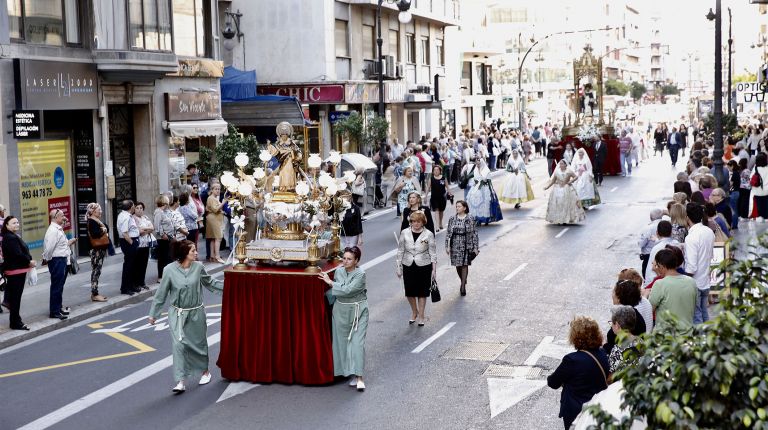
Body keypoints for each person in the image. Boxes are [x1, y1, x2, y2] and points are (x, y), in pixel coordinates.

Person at [149, 240, 223, 393]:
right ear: (184, 254)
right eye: (193, 251)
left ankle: (205, 372)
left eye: (195, 250)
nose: (196, 253)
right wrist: (153, 314)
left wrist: (232, 286)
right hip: (177, 313)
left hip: (196, 312)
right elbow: (161, 293)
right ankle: (181, 381)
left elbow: (210, 283)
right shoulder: (169, 270)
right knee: (179, 345)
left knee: (199, 344)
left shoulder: (199, 267)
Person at [318, 246, 368, 392]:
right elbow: (337, 291)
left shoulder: (361, 274)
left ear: (356, 261)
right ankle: (347, 372)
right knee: (342, 343)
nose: (345, 261)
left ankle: (359, 377)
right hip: (340, 310)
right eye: (344, 258)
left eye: (349, 259)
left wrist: (331, 283)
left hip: (358, 310)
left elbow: (347, 290)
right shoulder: (339, 271)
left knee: (357, 343)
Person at [547, 316, 609, 430]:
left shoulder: (572, 360)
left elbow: (553, 382)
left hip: (576, 413)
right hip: (597, 408)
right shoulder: (603, 354)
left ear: (576, 337)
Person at [396, 211, 437, 327]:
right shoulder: (404, 233)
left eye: (418, 221)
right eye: (413, 221)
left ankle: (422, 315)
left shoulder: (428, 234)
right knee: (409, 291)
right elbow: (400, 251)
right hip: (408, 264)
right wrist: (398, 267)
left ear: (423, 222)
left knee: (422, 292)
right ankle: (414, 311)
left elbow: (433, 253)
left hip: (424, 265)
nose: (416, 224)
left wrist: (434, 270)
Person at [649, 249, 698, 333]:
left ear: (661, 265)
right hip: (688, 334)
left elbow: (650, 309)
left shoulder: (660, 284)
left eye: (657, 265)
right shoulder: (692, 282)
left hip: (666, 337)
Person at [1, 216, 36, 330]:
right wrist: (29, 261)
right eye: (13, 223)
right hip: (15, 272)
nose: (17, 224)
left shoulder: (11, 236)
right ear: (7, 225)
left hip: (16, 271)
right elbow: (17, 254)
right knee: (15, 298)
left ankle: (15, 321)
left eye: (17, 222)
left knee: (14, 298)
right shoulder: (10, 237)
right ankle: (16, 323)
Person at [43, 208, 76, 320]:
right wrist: (48, 260)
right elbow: (49, 248)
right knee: (56, 286)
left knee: (59, 286)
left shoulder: (58, 228)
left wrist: (68, 243)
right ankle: (54, 311)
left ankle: (58, 308)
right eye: (62, 216)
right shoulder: (53, 230)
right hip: (57, 260)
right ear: (56, 218)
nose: (64, 217)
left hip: (61, 259)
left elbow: (59, 245)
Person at [684, 203, 714, 324]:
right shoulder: (708, 231)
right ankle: (707, 339)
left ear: (687, 218)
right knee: (704, 312)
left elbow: (691, 267)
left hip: (695, 283)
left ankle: (700, 341)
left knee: (696, 316)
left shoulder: (691, 237)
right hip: (705, 280)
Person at [444, 200, 479, 296]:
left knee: (464, 264)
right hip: (454, 244)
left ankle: (463, 286)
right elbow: (448, 233)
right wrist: (447, 246)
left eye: (459, 206)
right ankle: (463, 279)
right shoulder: (452, 219)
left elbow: (474, 233)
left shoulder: (470, 218)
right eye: (456, 206)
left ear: (464, 208)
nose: (457, 208)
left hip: (466, 244)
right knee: (457, 265)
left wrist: (475, 247)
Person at [544, 160, 585, 225]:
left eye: (562, 164)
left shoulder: (569, 171)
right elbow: (553, 181)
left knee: (566, 204)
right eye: (560, 164)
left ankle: (565, 219)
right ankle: (558, 219)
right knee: (558, 204)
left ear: (566, 165)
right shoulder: (557, 172)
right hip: (557, 189)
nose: (561, 165)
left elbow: (576, 177)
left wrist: (571, 181)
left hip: (567, 188)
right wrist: (547, 187)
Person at [466, 158, 503, 225]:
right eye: (476, 164)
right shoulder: (475, 170)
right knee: (474, 202)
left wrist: (491, 191)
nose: (477, 165)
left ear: (482, 163)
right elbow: (472, 178)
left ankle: (486, 219)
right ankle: (477, 219)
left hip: (485, 189)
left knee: (486, 204)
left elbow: (489, 181)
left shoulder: (486, 170)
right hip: (477, 188)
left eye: (479, 164)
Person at [644, 220, 680, 286]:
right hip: (677, 280)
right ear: (671, 232)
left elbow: (650, 270)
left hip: (660, 283)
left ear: (657, 233)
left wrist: (648, 285)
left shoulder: (656, 248)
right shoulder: (677, 244)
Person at [117, 200, 141, 296]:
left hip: (130, 241)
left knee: (132, 265)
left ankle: (131, 285)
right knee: (128, 265)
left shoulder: (124, 215)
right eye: (134, 206)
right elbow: (124, 232)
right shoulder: (125, 216)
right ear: (131, 207)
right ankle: (125, 287)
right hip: (128, 242)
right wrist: (132, 243)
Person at [86, 203, 109, 302]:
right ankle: (94, 294)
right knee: (96, 270)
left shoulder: (96, 220)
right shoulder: (91, 221)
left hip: (100, 249)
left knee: (97, 270)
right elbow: (95, 234)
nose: (101, 211)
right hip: (96, 250)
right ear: (93, 211)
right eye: (99, 210)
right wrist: (103, 230)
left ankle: (95, 293)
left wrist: (103, 228)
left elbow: (106, 227)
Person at [607, 305, 639, 374]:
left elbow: (611, 377)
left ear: (618, 326)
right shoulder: (640, 341)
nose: (611, 325)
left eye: (612, 322)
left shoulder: (617, 350)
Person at [133, 202, 154, 290]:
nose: (139, 210)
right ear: (134, 209)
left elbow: (152, 228)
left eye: (141, 208)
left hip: (146, 244)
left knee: (144, 264)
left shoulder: (145, 217)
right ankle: (136, 283)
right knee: (137, 265)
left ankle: (142, 282)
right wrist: (146, 230)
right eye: (137, 208)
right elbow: (139, 232)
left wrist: (145, 230)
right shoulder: (133, 218)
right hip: (138, 245)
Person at [154, 195, 175, 279]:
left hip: (168, 237)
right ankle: (161, 276)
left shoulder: (163, 212)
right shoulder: (159, 212)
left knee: (168, 257)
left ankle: (167, 275)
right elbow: (157, 225)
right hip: (163, 239)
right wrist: (163, 234)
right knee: (163, 258)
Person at [638, 208, 663, 277]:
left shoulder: (648, 228)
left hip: (649, 255)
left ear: (651, 217)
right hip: (664, 254)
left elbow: (641, 243)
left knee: (647, 275)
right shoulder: (666, 224)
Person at [205, 184, 225, 263]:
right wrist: (223, 203)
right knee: (218, 238)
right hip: (214, 219)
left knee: (213, 238)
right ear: (212, 190)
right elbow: (215, 209)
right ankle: (217, 256)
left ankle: (212, 256)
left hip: (214, 218)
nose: (218, 190)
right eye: (216, 189)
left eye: (219, 189)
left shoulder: (214, 198)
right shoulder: (211, 198)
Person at [429, 165, 449, 230]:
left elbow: (447, 186)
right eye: (434, 170)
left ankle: (440, 223)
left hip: (442, 197)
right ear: (433, 171)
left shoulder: (443, 178)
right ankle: (437, 226)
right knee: (436, 210)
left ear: (440, 171)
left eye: (437, 170)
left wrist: (450, 193)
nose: (436, 171)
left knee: (441, 211)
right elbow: (428, 187)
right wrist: (425, 196)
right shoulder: (431, 178)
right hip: (434, 198)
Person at [752, 152, 768, 221]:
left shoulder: (755, 169)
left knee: (759, 204)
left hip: (757, 190)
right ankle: (766, 217)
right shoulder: (767, 168)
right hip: (766, 190)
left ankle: (761, 216)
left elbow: (751, 177)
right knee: (766, 204)